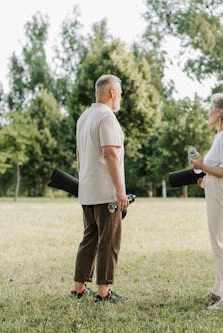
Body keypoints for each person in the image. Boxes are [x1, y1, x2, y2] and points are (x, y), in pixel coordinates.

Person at [71, 74, 129, 303]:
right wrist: (120, 191)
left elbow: (79, 156)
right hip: (106, 193)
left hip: (87, 190)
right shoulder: (107, 118)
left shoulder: (84, 118)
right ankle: (104, 292)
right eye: (120, 93)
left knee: (89, 239)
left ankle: (78, 287)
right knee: (108, 241)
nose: (120, 98)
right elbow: (111, 154)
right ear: (112, 92)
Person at [190, 92, 223, 310]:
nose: (208, 111)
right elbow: (219, 170)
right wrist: (206, 179)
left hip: (222, 195)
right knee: (218, 243)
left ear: (220, 112)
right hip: (216, 191)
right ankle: (219, 289)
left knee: (222, 244)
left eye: (211, 107)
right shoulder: (220, 137)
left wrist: (203, 167)